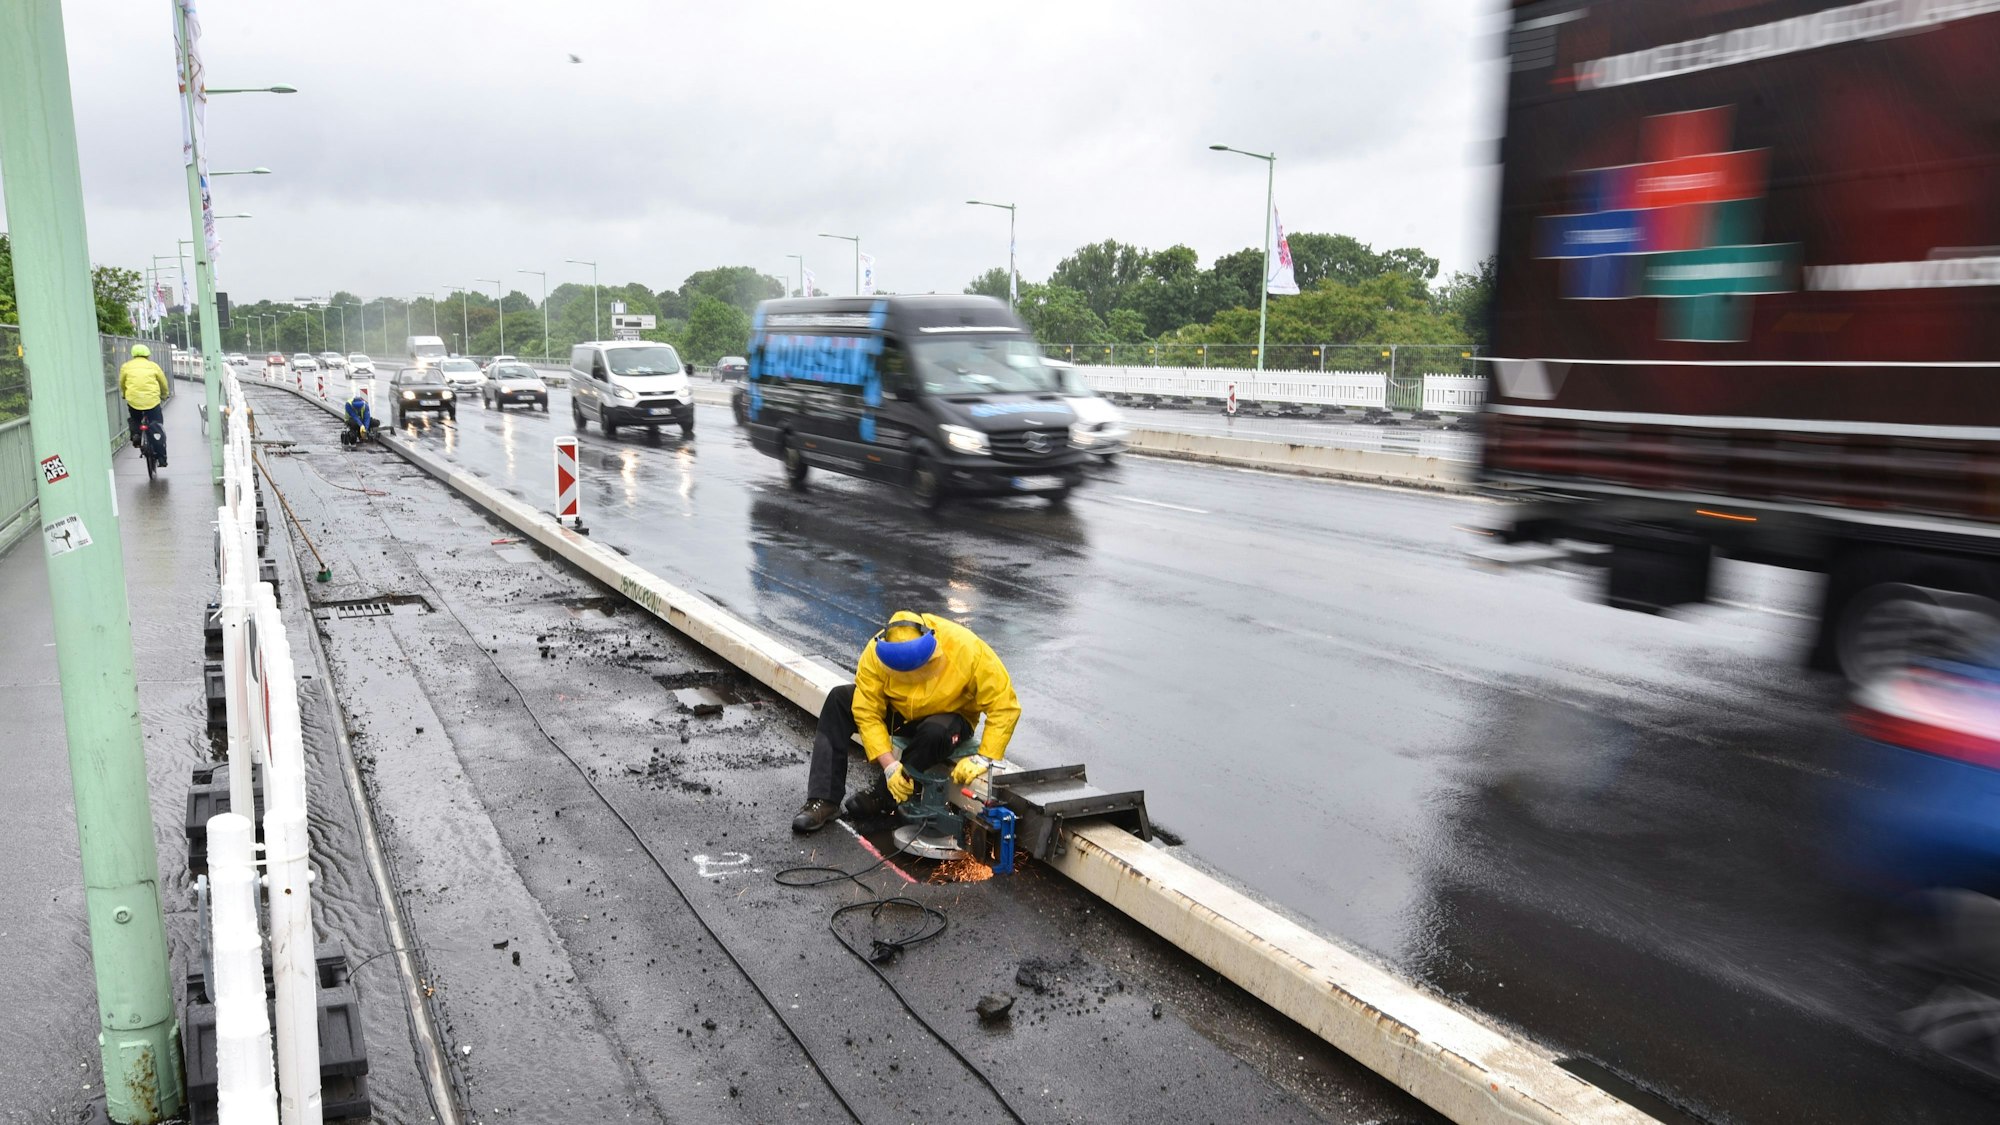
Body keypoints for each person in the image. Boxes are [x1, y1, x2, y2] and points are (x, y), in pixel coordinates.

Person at [793, 610, 1020, 833]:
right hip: (899, 712)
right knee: (839, 699)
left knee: (934, 733)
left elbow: (1004, 704)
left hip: (950, 716)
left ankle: (883, 796)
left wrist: (985, 757)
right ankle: (824, 799)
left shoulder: (965, 648)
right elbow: (867, 711)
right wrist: (890, 766)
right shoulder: (875, 652)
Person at [118, 344, 171, 466]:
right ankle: (161, 458)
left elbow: (122, 383)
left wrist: (125, 394)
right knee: (157, 424)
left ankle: (136, 434)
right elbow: (163, 382)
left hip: (134, 400)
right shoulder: (153, 366)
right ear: (148, 354)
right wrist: (164, 395)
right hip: (152, 401)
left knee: (135, 418)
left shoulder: (126, 366)